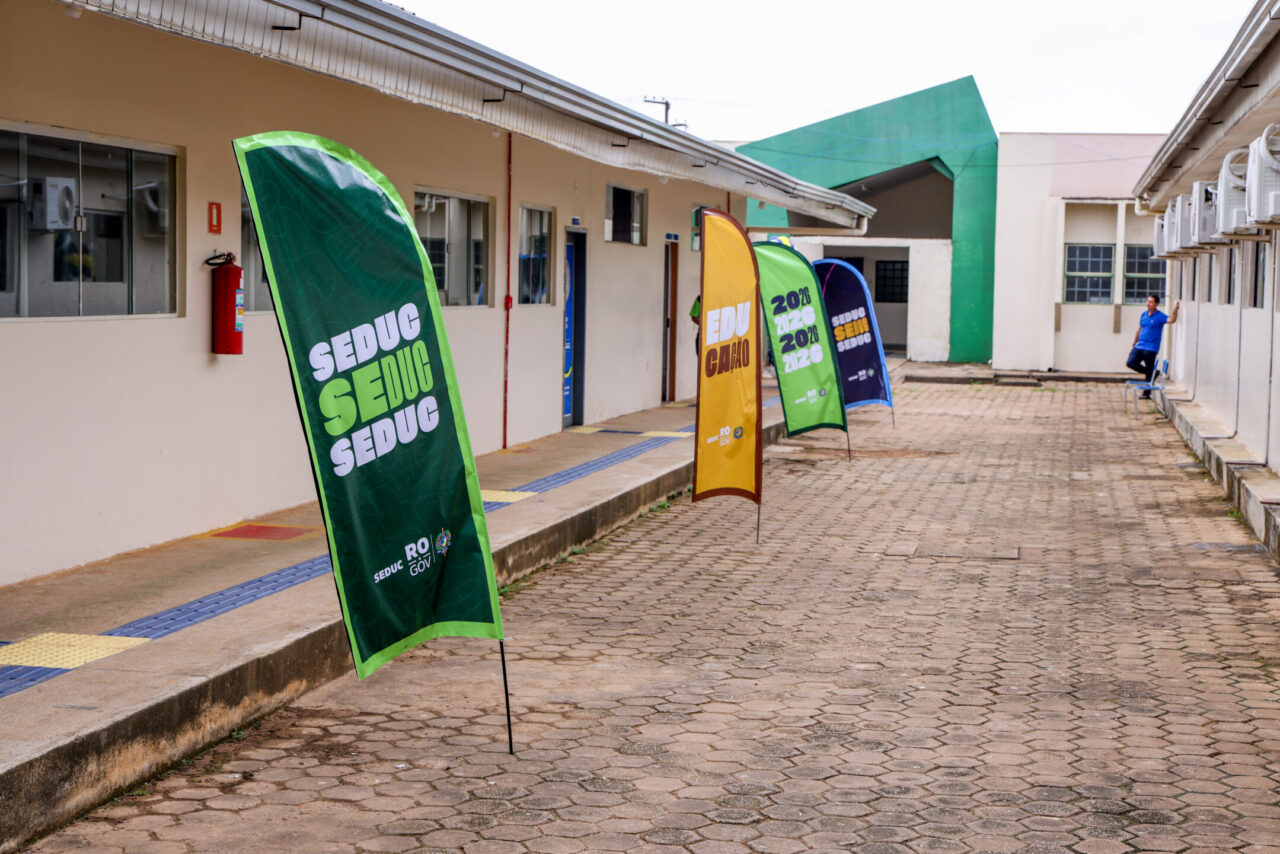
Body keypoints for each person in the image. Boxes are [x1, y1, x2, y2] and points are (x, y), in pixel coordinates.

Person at [1127, 295, 1180, 398]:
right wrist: (1134, 343)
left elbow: (1172, 320)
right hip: (1140, 346)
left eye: (1151, 302)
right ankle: (1152, 373)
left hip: (1151, 348)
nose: (1148, 303)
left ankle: (1146, 393)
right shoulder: (1143, 315)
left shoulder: (1160, 316)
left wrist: (1175, 309)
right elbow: (1140, 329)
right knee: (1131, 363)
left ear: (1156, 304)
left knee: (1149, 369)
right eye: (1147, 301)